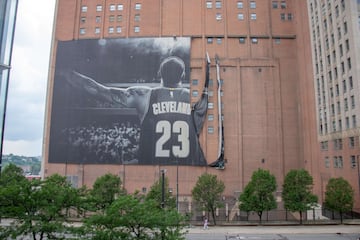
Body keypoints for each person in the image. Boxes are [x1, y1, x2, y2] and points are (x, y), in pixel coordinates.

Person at [65, 56, 207, 166]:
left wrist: (70, 74)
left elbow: (99, 90)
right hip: (186, 172)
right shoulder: (194, 98)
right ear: (182, 75)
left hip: (151, 170)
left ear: (159, 74)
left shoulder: (144, 95)